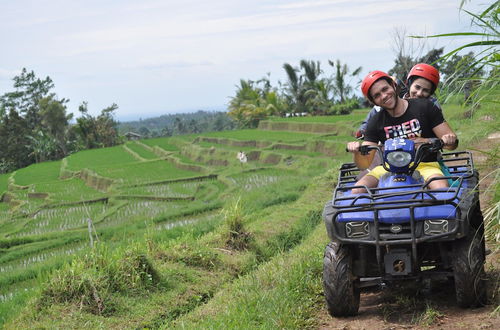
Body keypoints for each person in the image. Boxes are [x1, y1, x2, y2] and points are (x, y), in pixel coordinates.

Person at [347, 70, 458, 194]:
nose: (384, 96)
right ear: (373, 101)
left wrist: (447, 139)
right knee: (357, 190)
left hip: (425, 165)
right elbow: (364, 164)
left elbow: (451, 144)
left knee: (441, 187)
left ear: (393, 86)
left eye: (385, 89)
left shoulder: (425, 107)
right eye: (377, 95)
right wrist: (356, 152)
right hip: (388, 168)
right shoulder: (375, 122)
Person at [356, 63, 441, 139]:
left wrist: (428, 141)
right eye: (417, 87)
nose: (419, 93)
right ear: (409, 84)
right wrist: (363, 130)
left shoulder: (432, 105)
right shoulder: (394, 100)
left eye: (425, 90)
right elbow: (373, 117)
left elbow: (441, 133)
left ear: (430, 93)